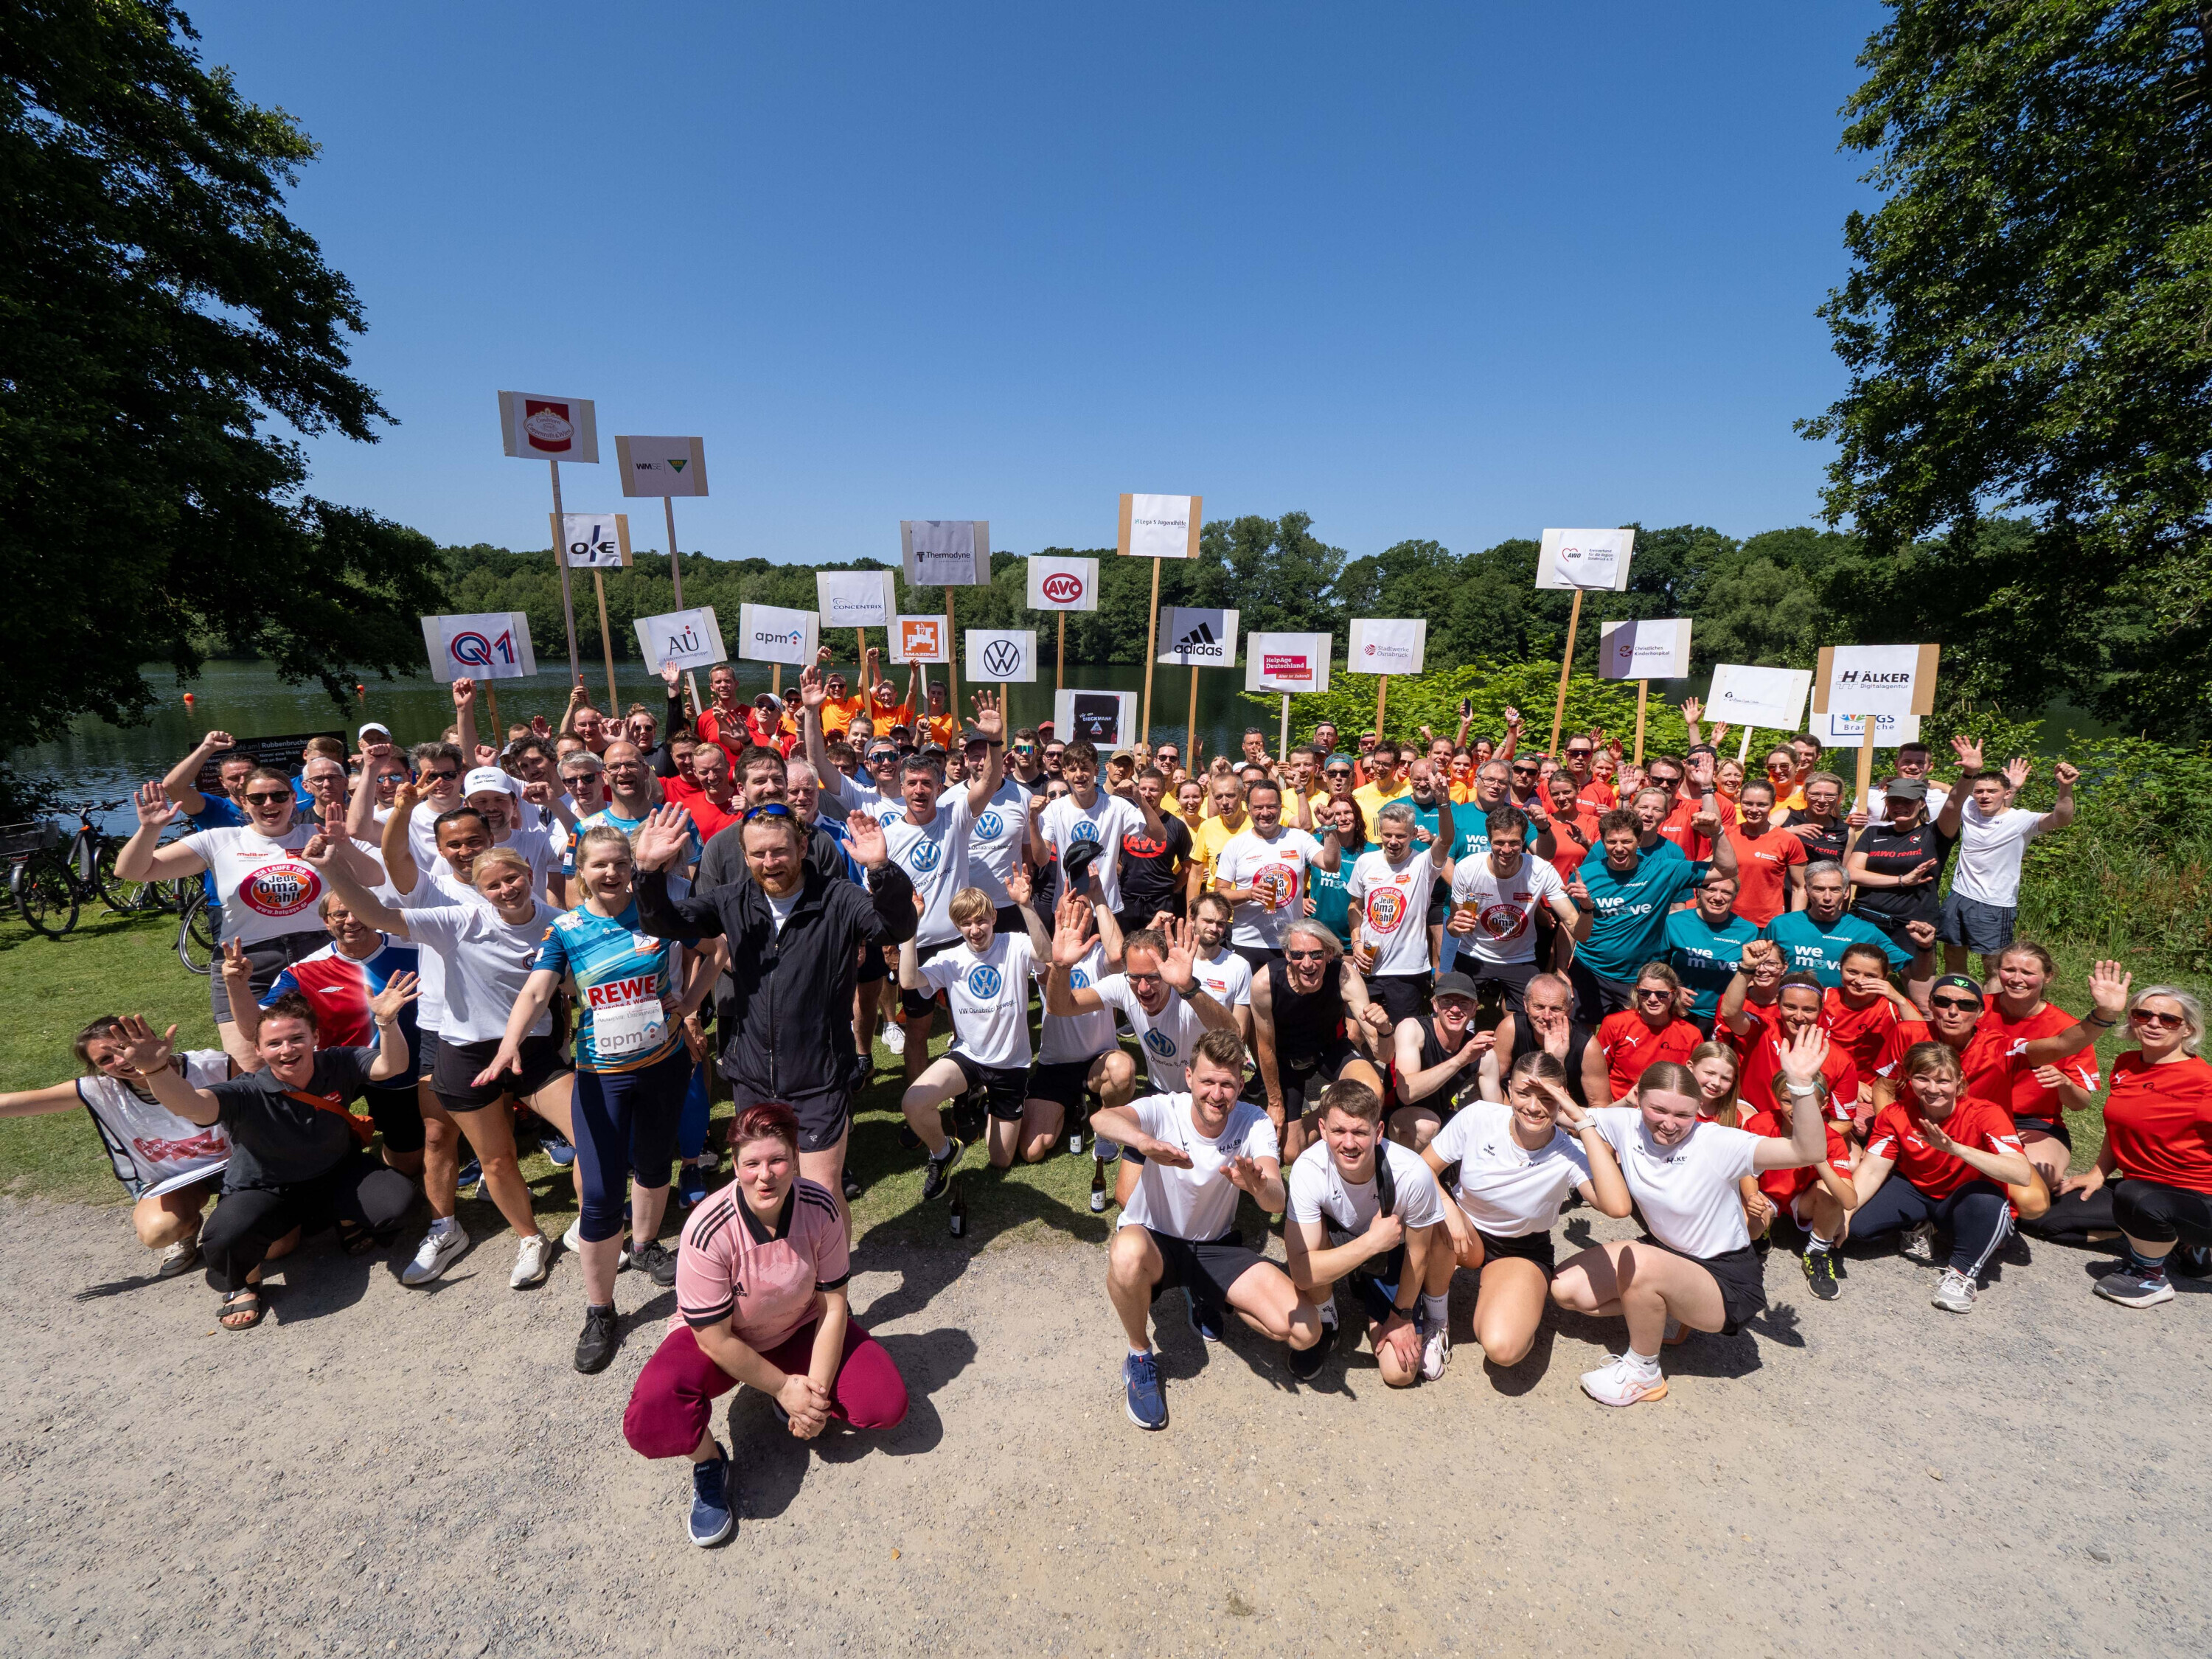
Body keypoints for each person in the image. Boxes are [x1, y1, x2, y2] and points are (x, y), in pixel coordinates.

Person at [483, 815, 723, 1371]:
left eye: (621, 862)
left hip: (663, 1066)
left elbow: (717, 949)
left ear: (632, 867)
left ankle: (642, 1248)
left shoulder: (659, 915)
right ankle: (599, 1308)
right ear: (583, 874)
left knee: (655, 1166)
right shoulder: (566, 930)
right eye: (600, 865)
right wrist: (509, 1044)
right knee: (598, 1193)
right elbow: (537, 989)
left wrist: (687, 1005)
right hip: (603, 1078)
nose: (612, 871)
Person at [622, 1102, 908, 1547]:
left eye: (777, 1160)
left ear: (796, 1157)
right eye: (752, 1163)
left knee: (884, 1404)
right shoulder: (707, 1228)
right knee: (654, 1415)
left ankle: (791, 1391)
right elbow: (714, 1338)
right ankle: (709, 1461)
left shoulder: (822, 1207)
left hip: (798, 1326)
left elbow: (834, 1308)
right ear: (735, 1165)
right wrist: (782, 1389)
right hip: (725, 1340)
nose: (765, 1175)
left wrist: (810, 1395)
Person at [306, 837, 571, 1298]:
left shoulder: (559, 923)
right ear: (479, 889)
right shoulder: (459, 920)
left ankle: (596, 1223)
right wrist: (334, 870)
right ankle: (530, 1237)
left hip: (534, 1049)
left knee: (590, 1133)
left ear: (529, 873)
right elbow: (380, 916)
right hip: (467, 1051)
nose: (506, 889)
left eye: (513, 878)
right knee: (495, 1157)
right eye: (493, 885)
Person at [636, 801, 916, 1227]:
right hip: (752, 1077)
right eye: (758, 854)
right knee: (762, 1192)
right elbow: (665, 923)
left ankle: (833, 1287)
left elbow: (895, 929)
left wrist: (880, 870)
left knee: (821, 1193)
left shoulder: (838, 898)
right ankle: (776, 1277)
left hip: (819, 1076)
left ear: (802, 846)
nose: (770, 863)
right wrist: (648, 873)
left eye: (780, 851)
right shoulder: (732, 900)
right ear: (745, 855)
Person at [108, 984, 420, 1331]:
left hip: (335, 1171)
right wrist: (156, 1070)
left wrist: (387, 1022)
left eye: (296, 1038)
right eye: (274, 1043)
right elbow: (192, 1106)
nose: (287, 1050)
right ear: (258, 1049)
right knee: (224, 1239)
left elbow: (391, 1066)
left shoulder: (339, 1062)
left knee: (398, 1203)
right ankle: (245, 1280)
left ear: (315, 1037)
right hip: (266, 1188)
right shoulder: (245, 1090)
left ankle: (343, 1219)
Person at [1550, 1037, 1833, 1406]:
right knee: (1564, 1290)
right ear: (1640, 1100)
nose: (1669, 1124)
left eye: (1683, 1115)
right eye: (1658, 1110)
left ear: (1698, 1108)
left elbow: (1808, 1150)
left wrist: (1799, 1085)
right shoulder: (1626, 1123)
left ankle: (1644, 1371)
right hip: (1666, 1253)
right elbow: (1559, 1115)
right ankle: (1659, 1310)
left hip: (1724, 1278)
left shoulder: (1718, 1142)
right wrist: (1542, 1067)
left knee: (1642, 1266)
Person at [1094, 1030, 1324, 1430]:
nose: (1217, 1094)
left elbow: (1276, 1199)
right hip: (1155, 1239)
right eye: (1208, 1082)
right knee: (1126, 1253)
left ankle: (1206, 1293)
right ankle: (1139, 1356)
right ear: (1189, 1077)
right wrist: (1143, 1142)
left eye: (1227, 1084)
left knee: (1306, 1330)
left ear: (1240, 1085)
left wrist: (1257, 1185)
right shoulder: (1165, 1108)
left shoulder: (1253, 1123)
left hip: (1213, 1246)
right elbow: (1102, 1118)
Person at [114, 776, 347, 1071]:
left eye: (278, 795)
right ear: (243, 802)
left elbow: (374, 875)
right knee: (250, 1066)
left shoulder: (318, 833)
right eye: (258, 798)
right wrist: (150, 829)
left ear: (293, 798)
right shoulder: (218, 840)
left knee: (330, 1057)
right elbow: (131, 871)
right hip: (246, 963)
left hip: (317, 955)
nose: (269, 804)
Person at [1424, 1051, 1633, 1368]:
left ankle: (1516, 1301)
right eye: (1523, 1093)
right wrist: (1448, 1208)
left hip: (1519, 1248)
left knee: (1503, 1350)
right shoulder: (1479, 1116)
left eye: (1547, 1098)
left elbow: (1618, 1207)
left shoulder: (1569, 1151)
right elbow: (1423, 1168)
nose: (1534, 1107)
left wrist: (1581, 1121)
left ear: (1562, 1099)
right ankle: (1436, 1319)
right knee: (1434, 1214)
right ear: (1509, 1090)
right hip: (1461, 1228)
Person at [0, 1018, 235, 1276]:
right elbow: (15, 1103)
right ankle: (187, 1229)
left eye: (125, 1047)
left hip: (238, 1165)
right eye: (106, 1060)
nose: (122, 1060)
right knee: (158, 1231)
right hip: (176, 1182)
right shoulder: (101, 1090)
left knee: (273, 1248)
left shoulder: (213, 1065)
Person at [1284, 1080, 1457, 1385]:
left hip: (1393, 1253)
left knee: (1399, 1372)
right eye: (1339, 1131)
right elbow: (1302, 1271)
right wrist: (1371, 1243)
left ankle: (1420, 1314)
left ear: (1378, 1133)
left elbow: (1419, 1252)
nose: (1348, 1143)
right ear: (1322, 1129)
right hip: (1355, 1240)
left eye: (1360, 1132)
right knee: (1313, 1248)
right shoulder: (1307, 1169)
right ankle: (1329, 1323)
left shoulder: (1411, 1172)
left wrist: (1400, 1315)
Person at [1848, 1040, 2037, 1314]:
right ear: (1908, 1079)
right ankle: (1921, 1227)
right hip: (1918, 1190)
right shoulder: (1894, 1114)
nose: (1933, 1089)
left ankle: (1962, 1274)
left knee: (1987, 1201)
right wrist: (1843, 1214)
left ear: (1960, 1081)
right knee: (1857, 1228)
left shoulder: (1986, 1113)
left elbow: (2021, 1174)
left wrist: (1955, 1149)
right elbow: (1872, 1170)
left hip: (1966, 1199)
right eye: (1922, 1079)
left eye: (1943, 1080)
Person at [897, 875, 1054, 1192]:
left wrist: (1025, 906)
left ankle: (985, 1105)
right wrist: (910, 930)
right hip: (968, 1056)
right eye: (966, 923)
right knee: (913, 1102)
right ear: (957, 926)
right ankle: (944, 1152)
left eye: (982, 920)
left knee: (1000, 1160)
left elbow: (1045, 953)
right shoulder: (950, 958)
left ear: (994, 917)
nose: (976, 930)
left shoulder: (1014, 943)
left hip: (1012, 1064)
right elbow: (909, 981)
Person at [2063, 984, 2212, 1307]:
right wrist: (2097, 1173)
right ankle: (2172, 1242)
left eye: (2169, 1019)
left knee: (2137, 1197)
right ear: (2132, 1021)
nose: (2154, 1023)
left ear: (2188, 1028)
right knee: (2043, 1216)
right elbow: (2119, 1126)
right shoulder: (2127, 1064)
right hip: (2144, 1192)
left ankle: (2151, 1275)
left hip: (2196, 1198)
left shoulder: (2204, 1082)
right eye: (2143, 1014)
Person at [257, 893, 425, 1177]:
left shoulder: (416, 949)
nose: (352, 920)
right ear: (326, 922)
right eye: (340, 914)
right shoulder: (303, 971)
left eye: (360, 910)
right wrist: (235, 984)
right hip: (338, 1067)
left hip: (399, 1065)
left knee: (407, 1167)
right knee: (314, 1145)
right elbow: (260, 1022)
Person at [1567, 805, 1736, 1021]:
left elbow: (1727, 869)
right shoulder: (1584, 877)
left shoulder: (1664, 870)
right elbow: (1573, 930)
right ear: (1602, 841)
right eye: (1611, 842)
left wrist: (1717, 832)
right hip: (1590, 971)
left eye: (1627, 841)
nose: (1619, 848)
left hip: (1640, 978)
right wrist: (1563, 969)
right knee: (1583, 1040)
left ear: (1639, 840)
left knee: (1635, 1042)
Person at [1251, 919, 1389, 1161]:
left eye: (1316, 954)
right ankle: (1332, 1107)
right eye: (1297, 954)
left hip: (1330, 1048)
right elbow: (1265, 1047)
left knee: (1374, 1091)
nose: (1307, 964)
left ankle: (1331, 1108)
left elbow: (1381, 1051)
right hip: (1287, 1058)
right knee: (1290, 1153)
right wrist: (1275, 1102)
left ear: (1328, 954)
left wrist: (1385, 1029)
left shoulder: (1345, 975)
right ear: (1286, 954)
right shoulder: (1265, 983)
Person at [1941, 741, 2080, 975]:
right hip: (1958, 896)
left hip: (1994, 904)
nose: (1984, 796)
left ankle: (1994, 1010)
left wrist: (2065, 788)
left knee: (1994, 967)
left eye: (1992, 791)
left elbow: (2061, 819)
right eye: (1979, 791)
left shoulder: (2021, 820)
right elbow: (1947, 789)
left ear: (2006, 794)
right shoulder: (1970, 809)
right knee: (1952, 956)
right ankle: (1958, 1003)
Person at [1980, 941, 2103, 1191]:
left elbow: (2080, 1104)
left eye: (2027, 972)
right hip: (1974, 1111)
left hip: (2033, 1122)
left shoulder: (2070, 1030)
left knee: (2037, 1177)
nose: (2017, 979)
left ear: (2048, 976)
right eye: (2009, 970)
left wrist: (2064, 1083)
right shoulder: (1976, 1009)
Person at [1739, 1071, 1860, 1301]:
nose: (1795, 1109)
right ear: (1777, 1098)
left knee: (1830, 1187)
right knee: (1750, 1225)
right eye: (1787, 1101)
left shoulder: (1831, 1139)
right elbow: (1746, 1170)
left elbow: (1849, 1200)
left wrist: (1817, 1156)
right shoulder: (1759, 1124)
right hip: (1767, 1194)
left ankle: (1817, 1253)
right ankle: (1762, 1231)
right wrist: (1752, 1196)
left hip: (1804, 1198)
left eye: (1805, 1102)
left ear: (1823, 1104)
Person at [1445, 805, 1580, 1009]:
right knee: (1454, 1010)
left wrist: (1586, 909)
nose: (1506, 850)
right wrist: (1457, 926)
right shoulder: (1467, 868)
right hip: (1473, 953)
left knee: (1531, 1017)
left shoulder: (1540, 870)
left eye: (1514, 843)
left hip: (1521, 957)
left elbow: (1572, 921)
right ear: (1489, 841)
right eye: (1499, 842)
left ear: (1524, 841)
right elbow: (1452, 926)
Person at [1845, 777, 1957, 1002]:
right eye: (1894, 800)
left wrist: (1969, 775)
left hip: (1913, 924)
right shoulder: (1873, 833)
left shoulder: (1935, 834)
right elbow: (1852, 873)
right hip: (1868, 918)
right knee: (1860, 990)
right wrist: (1902, 880)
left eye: (1908, 801)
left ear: (1922, 803)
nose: (1899, 806)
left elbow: (1955, 804)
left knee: (1923, 1001)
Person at [1213, 779, 1340, 970]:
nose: (1265, 813)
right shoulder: (1235, 845)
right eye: (1258, 807)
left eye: (1272, 807)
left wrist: (1330, 828)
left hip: (1291, 943)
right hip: (1247, 942)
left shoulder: (1299, 838)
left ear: (1281, 807)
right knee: (1247, 1000)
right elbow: (1219, 894)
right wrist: (1249, 893)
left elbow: (1331, 865)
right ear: (1248, 808)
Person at [1346, 798, 1454, 1023]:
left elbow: (1445, 840)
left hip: (1407, 970)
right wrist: (1356, 943)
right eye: (1388, 835)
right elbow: (1355, 905)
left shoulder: (1423, 863)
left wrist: (1443, 804)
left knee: (1403, 1034)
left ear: (1413, 835)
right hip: (1368, 964)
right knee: (1356, 1030)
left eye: (1400, 836)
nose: (1393, 841)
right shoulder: (1366, 861)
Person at [1029, 738, 1144, 919]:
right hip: (1068, 906)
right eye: (1073, 770)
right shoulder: (1054, 809)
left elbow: (1159, 835)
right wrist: (1032, 820)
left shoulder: (1116, 805)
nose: (1079, 775)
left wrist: (1139, 799)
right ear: (1065, 773)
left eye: (1085, 768)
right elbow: (1042, 860)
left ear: (1096, 771)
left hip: (1107, 907)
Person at [1762, 861, 1923, 987]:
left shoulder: (1866, 932)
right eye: (1819, 889)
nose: (1827, 897)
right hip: (1792, 1009)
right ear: (1807, 891)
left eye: (1835, 890)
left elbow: (1913, 972)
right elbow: (1758, 967)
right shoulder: (1781, 925)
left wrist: (1925, 948)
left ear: (1846, 892)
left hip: (1842, 1014)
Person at [1388, 971, 1498, 1149]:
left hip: (1442, 1118)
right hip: (1397, 1118)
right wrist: (1460, 1060)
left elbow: (1496, 1114)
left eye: (1464, 1003)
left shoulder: (1482, 1053)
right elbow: (1406, 1094)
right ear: (1435, 1005)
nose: (1455, 1009)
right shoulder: (1412, 1029)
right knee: (1427, 1126)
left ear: (1474, 1009)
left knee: (1479, 1126)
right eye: (1447, 1002)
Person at [1491, 971, 1609, 1114]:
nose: (1546, 1016)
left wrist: (1575, 1128)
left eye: (1556, 1009)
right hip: (1517, 1110)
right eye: (1539, 1007)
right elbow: (1491, 1080)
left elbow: (1600, 1106)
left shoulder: (1587, 1046)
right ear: (1526, 1005)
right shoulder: (1511, 1028)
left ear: (1569, 1009)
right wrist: (1509, 1116)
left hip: (1568, 1116)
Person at [1663, 869, 1759, 1037]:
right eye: (1711, 890)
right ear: (1698, 892)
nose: (1718, 897)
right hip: (1678, 1012)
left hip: (1723, 1018)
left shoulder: (1748, 931)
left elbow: (1752, 977)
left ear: (1735, 896)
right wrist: (1672, 988)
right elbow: (1655, 965)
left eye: (1726, 892)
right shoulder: (1674, 923)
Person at [1596, 964, 1703, 1103]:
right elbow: (1596, 1073)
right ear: (1637, 992)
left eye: (1661, 994)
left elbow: (1695, 1082)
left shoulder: (1691, 1035)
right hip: (1620, 1106)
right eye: (1644, 993)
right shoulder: (1615, 1024)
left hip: (1666, 1110)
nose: (1652, 999)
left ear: (1674, 995)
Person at [1113, 767, 1192, 937]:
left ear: (1164, 792)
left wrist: (1172, 889)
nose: (1147, 794)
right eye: (1143, 789)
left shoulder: (1176, 826)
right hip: (1127, 901)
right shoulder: (1125, 821)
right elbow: (1113, 859)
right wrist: (1125, 874)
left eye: (1153, 790)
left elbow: (1187, 866)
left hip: (1161, 902)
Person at [1721, 779, 1808, 925]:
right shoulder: (1726, 836)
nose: (1754, 810)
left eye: (1762, 805)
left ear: (1773, 805)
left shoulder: (1788, 840)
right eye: (1748, 803)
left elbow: (1800, 887)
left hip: (1768, 923)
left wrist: (1794, 924)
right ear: (1740, 802)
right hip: (1727, 920)